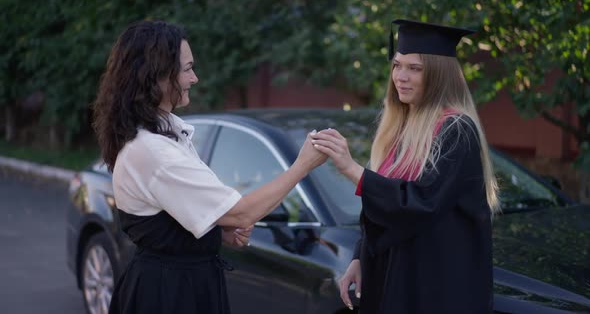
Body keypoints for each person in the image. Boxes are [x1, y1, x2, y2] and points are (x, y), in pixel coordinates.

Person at [92, 20, 327, 314]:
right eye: (188, 68)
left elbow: (170, 220)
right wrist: (303, 165)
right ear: (158, 76)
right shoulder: (154, 151)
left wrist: (213, 232)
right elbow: (241, 213)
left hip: (176, 284)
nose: (195, 78)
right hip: (170, 295)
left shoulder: (159, 137)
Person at [310, 19, 501, 313]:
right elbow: (382, 208)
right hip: (394, 277)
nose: (401, 76)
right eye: (397, 65)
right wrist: (360, 257)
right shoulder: (400, 129)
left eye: (415, 68)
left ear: (439, 75)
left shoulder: (456, 130)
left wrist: (351, 169)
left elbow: (421, 203)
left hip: (433, 287)